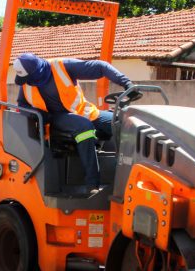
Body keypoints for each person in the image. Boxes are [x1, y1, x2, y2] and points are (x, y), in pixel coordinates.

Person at [13, 53, 134, 194]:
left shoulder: (61, 67)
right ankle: (92, 184)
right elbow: (22, 104)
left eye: (28, 78)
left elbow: (101, 67)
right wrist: (38, 114)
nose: (26, 81)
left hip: (84, 111)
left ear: (37, 71)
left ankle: (128, 177)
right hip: (54, 119)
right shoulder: (27, 82)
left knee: (123, 121)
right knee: (84, 127)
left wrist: (127, 84)